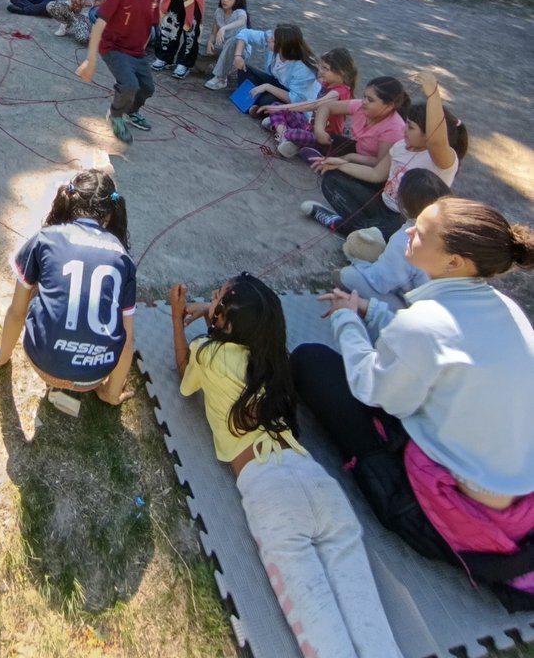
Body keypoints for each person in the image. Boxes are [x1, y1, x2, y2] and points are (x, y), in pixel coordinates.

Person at [292, 198, 534, 611]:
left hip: (456, 496)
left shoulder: (426, 323)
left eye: (420, 232)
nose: (406, 233)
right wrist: (370, 311)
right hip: (512, 484)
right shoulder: (504, 307)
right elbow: (424, 347)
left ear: (455, 261)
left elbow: (372, 386)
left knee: (310, 362)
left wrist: (347, 319)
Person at [170, 274, 402, 658]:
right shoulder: (273, 358)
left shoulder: (208, 354)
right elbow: (231, 335)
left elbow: (184, 369)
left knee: (322, 634)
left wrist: (177, 320)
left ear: (223, 322)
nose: (209, 299)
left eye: (215, 299)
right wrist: (210, 314)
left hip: (270, 492)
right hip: (315, 480)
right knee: (372, 628)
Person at [0, 170, 136, 407]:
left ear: (68, 200)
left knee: (39, 283)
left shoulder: (45, 238)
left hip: (42, 363)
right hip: (93, 377)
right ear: (109, 214)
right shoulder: (123, 258)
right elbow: (127, 343)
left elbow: (17, 311)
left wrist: (2, 355)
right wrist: (111, 394)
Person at [302, 71, 466, 237]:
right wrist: (342, 164)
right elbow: (376, 174)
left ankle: (347, 226)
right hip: (381, 204)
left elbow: (436, 141)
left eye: (410, 127)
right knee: (331, 182)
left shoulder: (441, 161)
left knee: (393, 231)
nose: (403, 129)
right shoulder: (401, 146)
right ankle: (361, 230)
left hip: (404, 219)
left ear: (427, 134)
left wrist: (433, 93)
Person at [76, 0, 169, 145]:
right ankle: (116, 115)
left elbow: (154, 22)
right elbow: (99, 24)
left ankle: (131, 111)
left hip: (137, 52)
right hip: (114, 48)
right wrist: (91, 60)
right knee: (129, 85)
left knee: (147, 88)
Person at [340, 168, 453, 311]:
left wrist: (360, 264)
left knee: (347, 276)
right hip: (446, 307)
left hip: (420, 312)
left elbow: (382, 282)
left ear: (404, 205)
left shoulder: (406, 238)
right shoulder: (449, 233)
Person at [257, 47, 357, 159]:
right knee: (276, 105)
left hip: (324, 137)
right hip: (308, 127)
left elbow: (313, 105)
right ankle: (284, 138)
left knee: (293, 132)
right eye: (322, 67)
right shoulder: (328, 83)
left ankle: (283, 131)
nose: (321, 71)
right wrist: (280, 108)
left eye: (326, 69)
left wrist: (284, 108)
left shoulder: (339, 92)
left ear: (341, 73)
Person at [231, 23, 320, 113]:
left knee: (267, 101)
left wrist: (267, 87)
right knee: (244, 69)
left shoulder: (303, 68)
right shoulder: (272, 40)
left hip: (291, 96)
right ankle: (257, 104)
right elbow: (245, 33)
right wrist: (238, 56)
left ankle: (258, 103)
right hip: (276, 82)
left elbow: (296, 99)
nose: (269, 39)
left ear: (283, 47)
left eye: (273, 40)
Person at [203, 0, 250, 91]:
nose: (225, 0)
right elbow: (213, 33)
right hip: (223, 45)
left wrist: (224, 28)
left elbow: (242, 21)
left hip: (239, 50)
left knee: (232, 40)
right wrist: (210, 41)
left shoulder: (240, 13)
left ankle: (221, 78)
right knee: (202, 44)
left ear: (237, 0)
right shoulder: (219, 11)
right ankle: (201, 67)